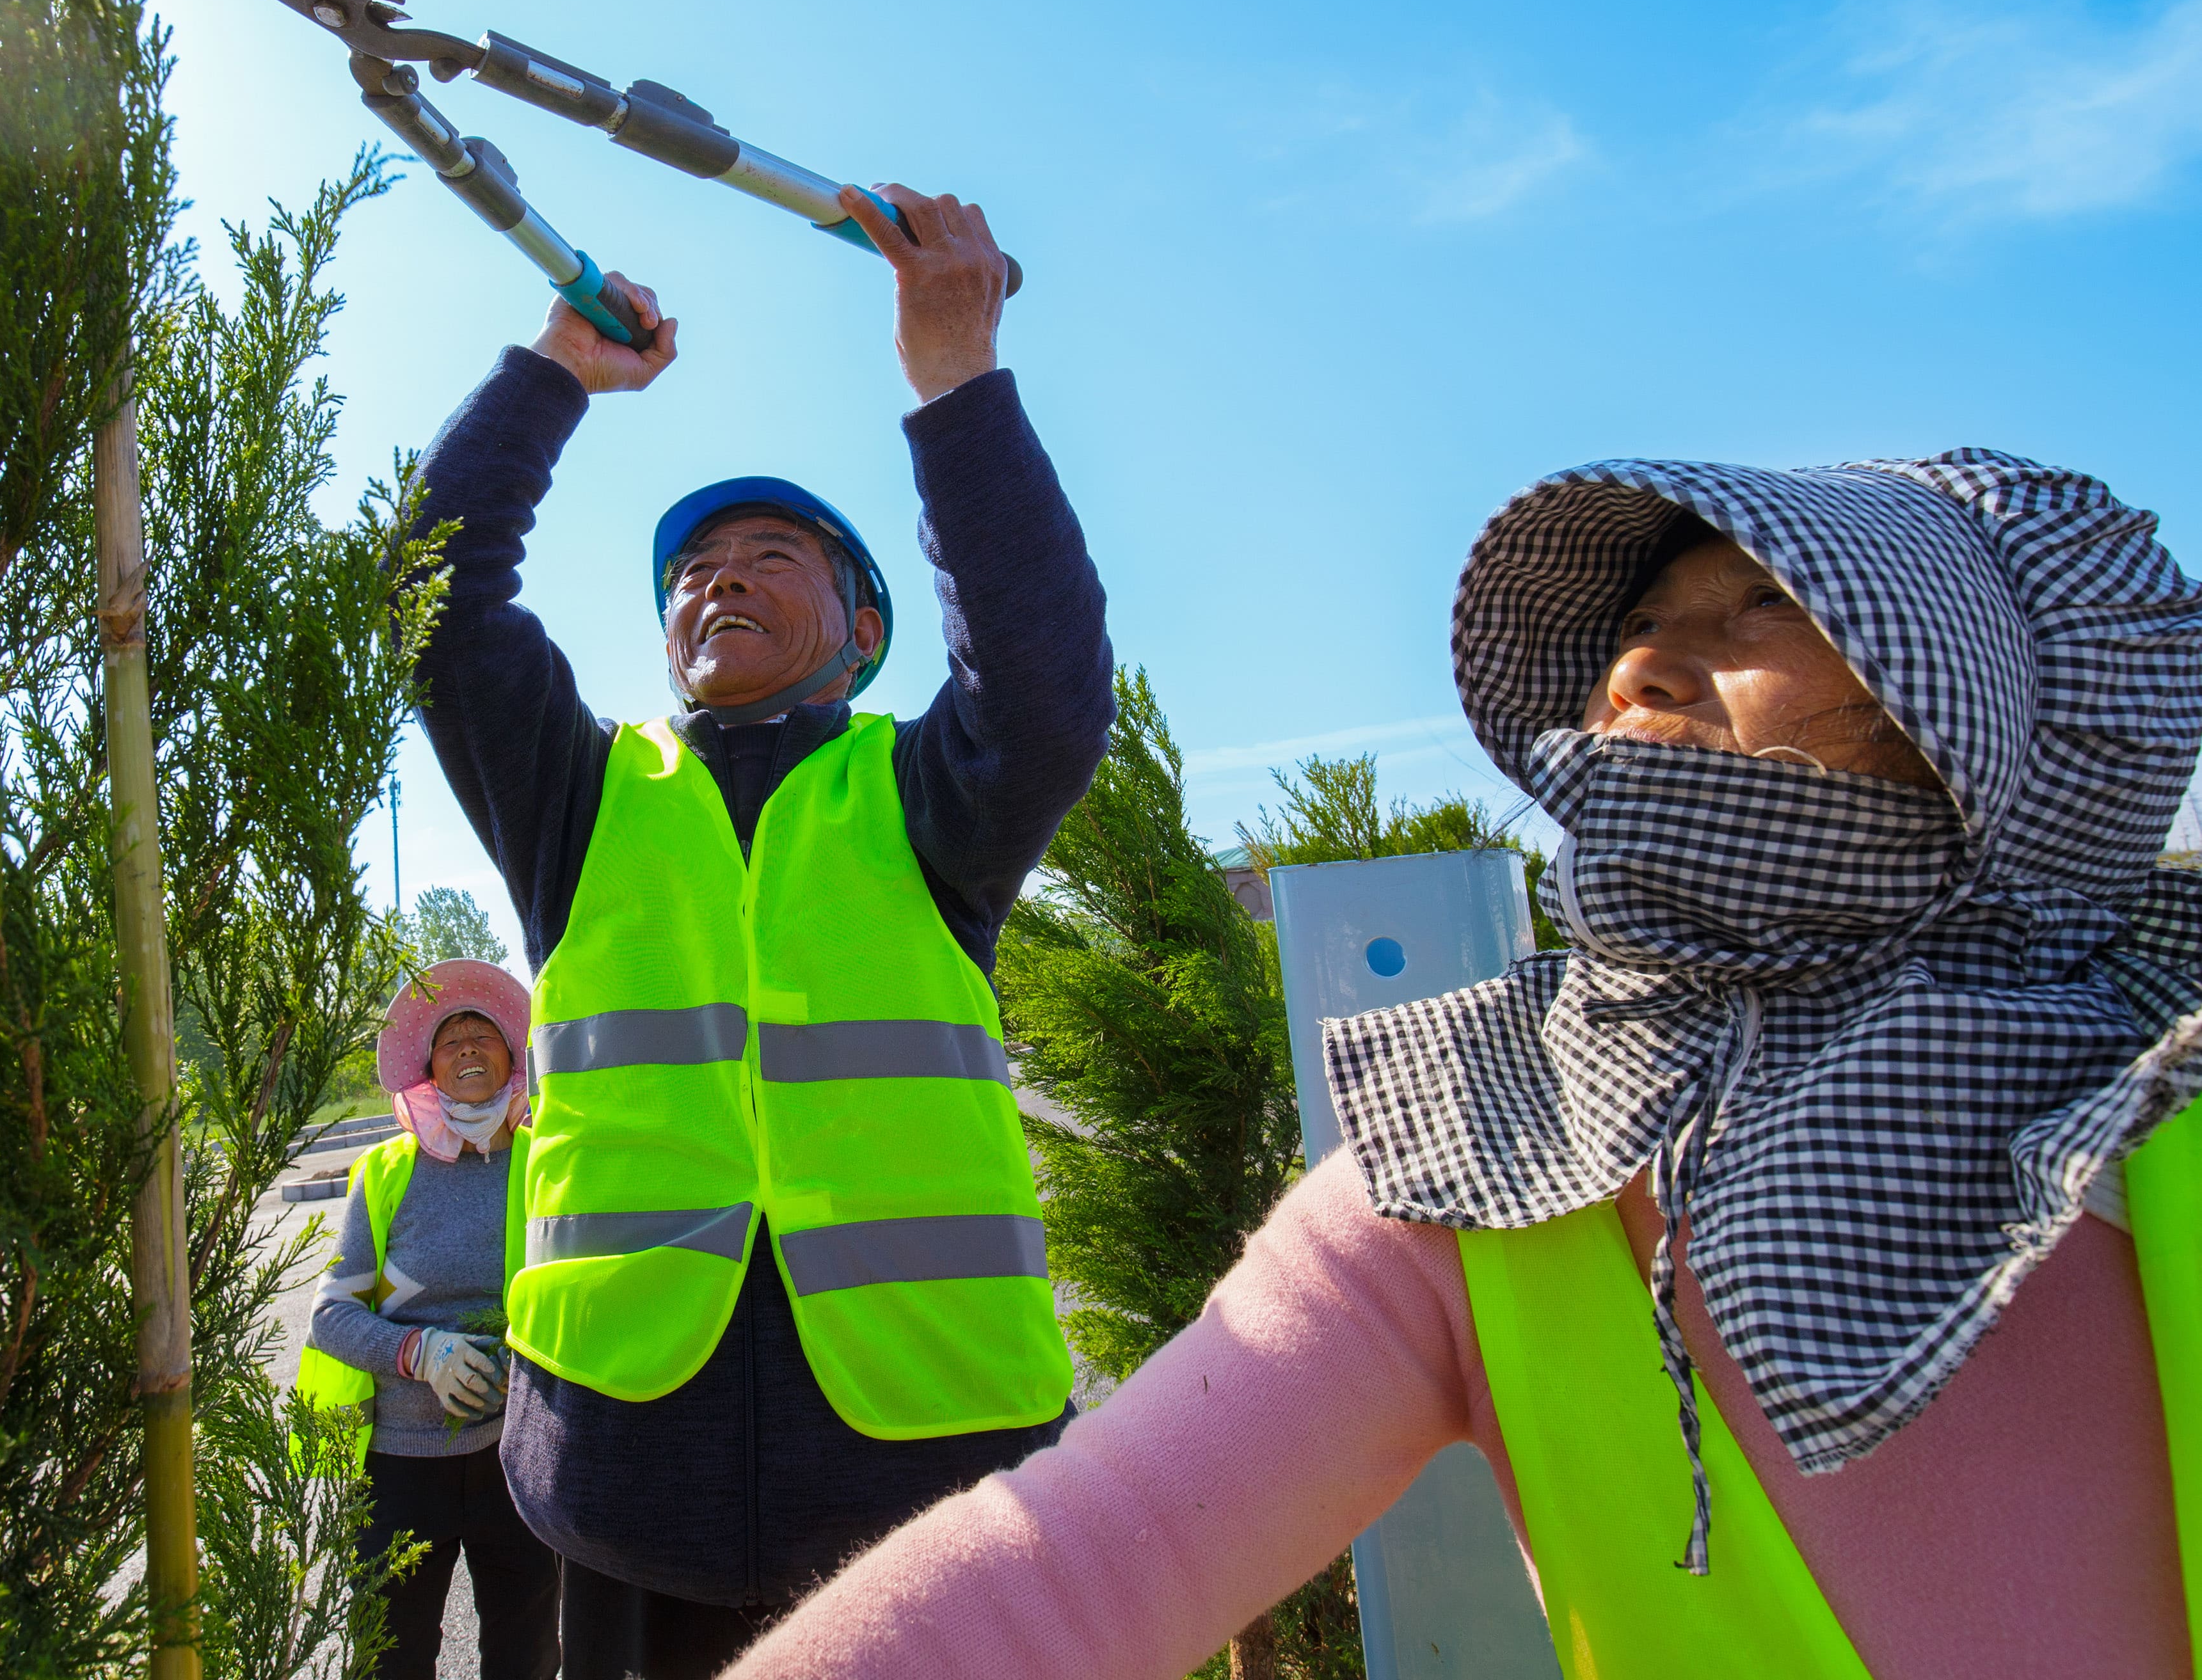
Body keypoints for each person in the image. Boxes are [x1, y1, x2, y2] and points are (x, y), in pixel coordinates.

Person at [719, 451, 2202, 1680]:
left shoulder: (2166, 1090)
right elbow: (1067, 1571)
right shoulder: (1491, 1148)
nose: (1634, 660)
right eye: (1633, 624)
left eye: (1766, 601)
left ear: (1979, 719)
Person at [406, 182, 1114, 1679]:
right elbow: (438, 598)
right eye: (689, 569)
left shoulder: (924, 794)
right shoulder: (583, 798)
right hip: (619, 1474)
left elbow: (1047, 683)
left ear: (863, 631)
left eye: (770, 555)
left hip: (924, 1477)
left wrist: (957, 382)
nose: (716, 575)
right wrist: (549, 368)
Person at [297, 960, 559, 1680]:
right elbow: (330, 1316)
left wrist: (525, 1365)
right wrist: (422, 1352)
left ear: (513, 1060)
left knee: (527, 1652)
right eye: (452, 1041)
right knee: (393, 1656)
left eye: (487, 1037)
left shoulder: (544, 1165)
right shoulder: (388, 1172)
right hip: (401, 1471)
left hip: (518, 1457)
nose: (470, 1047)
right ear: (429, 1069)